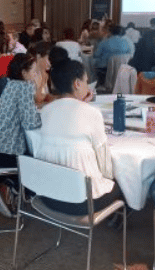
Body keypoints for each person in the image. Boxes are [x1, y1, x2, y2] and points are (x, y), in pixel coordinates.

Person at [32, 59, 121, 215]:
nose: (88, 86)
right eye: (86, 81)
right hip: (82, 202)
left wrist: (81, 104)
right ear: (77, 84)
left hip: (48, 195)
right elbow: (104, 161)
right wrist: (108, 180)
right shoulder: (92, 113)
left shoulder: (45, 111)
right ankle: (116, 219)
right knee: (123, 183)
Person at [0, 54, 44, 217]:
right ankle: (13, 186)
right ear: (23, 73)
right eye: (35, 71)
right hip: (0, 154)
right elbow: (31, 123)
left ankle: (11, 184)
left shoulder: (10, 83)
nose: (38, 74)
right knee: (37, 158)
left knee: (29, 150)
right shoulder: (24, 88)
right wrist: (38, 89)